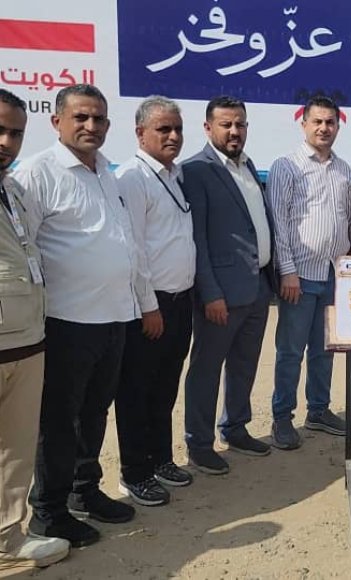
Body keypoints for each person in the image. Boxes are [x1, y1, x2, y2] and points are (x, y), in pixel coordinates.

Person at [15, 84, 139, 547]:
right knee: (59, 420)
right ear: (57, 122)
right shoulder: (38, 173)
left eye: (99, 118)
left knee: (94, 413)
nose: (91, 126)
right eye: (81, 117)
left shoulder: (106, 170)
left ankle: (84, 491)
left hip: (113, 317)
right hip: (66, 321)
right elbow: (23, 246)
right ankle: (48, 511)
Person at [181, 96, 276, 475]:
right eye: (226, 125)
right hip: (221, 294)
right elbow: (197, 239)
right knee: (206, 369)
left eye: (240, 124)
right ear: (208, 128)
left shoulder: (247, 165)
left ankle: (235, 427)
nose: (234, 131)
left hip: (257, 288)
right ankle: (199, 443)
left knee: (244, 365)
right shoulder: (197, 171)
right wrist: (211, 293)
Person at [114, 96, 196, 506]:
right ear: (140, 133)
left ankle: (160, 459)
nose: (173, 136)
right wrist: (149, 306)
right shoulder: (132, 177)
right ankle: (134, 473)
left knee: (165, 387)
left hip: (181, 301)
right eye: (164, 129)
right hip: (151, 306)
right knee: (137, 391)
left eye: (177, 128)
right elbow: (134, 249)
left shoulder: (175, 174)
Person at [0, 89, 70, 568]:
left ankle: (7, 541)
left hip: (26, 341)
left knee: (15, 452)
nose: (7, 142)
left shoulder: (15, 191)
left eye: (16, 133)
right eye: (0, 130)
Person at [266, 96, 351, 450]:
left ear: (338, 126)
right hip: (299, 277)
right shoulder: (286, 166)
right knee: (290, 351)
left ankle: (318, 410)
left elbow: (346, 218)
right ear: (303, 124)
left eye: (330, 122)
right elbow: (279, 223)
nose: (324, 128)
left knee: (324, 350)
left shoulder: (343, 169)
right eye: (317, 121)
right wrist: (287, 271)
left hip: (332, 275)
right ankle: (282, 417)